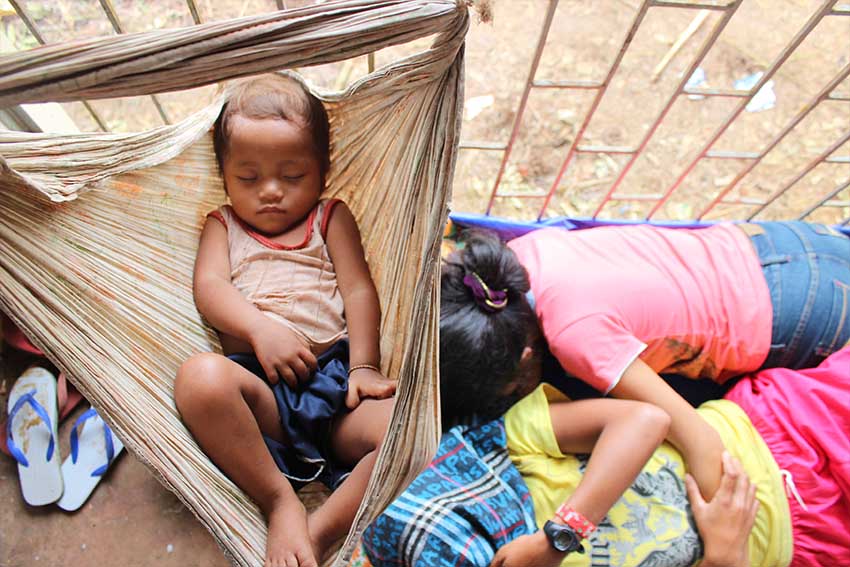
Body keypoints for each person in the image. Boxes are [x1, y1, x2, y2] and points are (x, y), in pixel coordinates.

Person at [363, 231, 849, 567]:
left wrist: (561, 535)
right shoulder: (505, 273)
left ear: (527, 355)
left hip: (793, 328)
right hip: (765, 255)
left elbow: (685, 436)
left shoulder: (574, 350)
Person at [173, 73, 396, 567]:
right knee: (200, 379)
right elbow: (210, 288)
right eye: (248, 178)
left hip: (335, 389)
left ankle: (317, 533)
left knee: (411, 435)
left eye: (291, 175)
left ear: (322, 170)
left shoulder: (330, 217)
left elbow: (359, 289)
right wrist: (259, 328)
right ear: (225, 176)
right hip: (259, 397)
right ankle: (279, 500)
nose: (270, 191)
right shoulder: (222, 224)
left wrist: (363, 367)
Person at [502, 220, 850, 503]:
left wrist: (727, 547)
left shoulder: (578, 338)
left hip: (799, 313)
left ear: (523, 356)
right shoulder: (515, 256)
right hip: (783, 244)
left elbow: (701, 441)